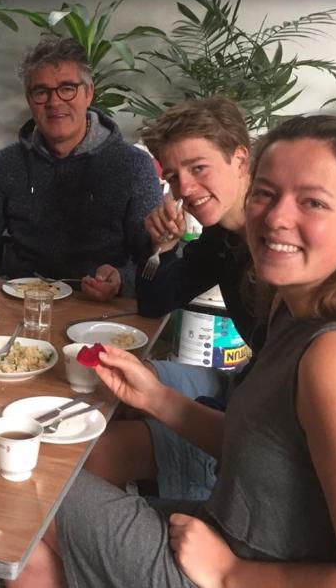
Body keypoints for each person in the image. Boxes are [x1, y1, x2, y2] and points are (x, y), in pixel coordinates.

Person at [34, 115, 336, 588]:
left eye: (312, 202)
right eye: (266, 194)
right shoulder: (296, 309)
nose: (276, 218)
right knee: (35, 524)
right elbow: (261, 447)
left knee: (34, 496)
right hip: (231, 533)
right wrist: (157, 398)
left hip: (247, 567)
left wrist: (232, 573)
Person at [85, 97, 256, 500]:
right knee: (103, 393)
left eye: (199, 168)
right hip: (241, 386)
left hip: (252, 426)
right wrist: (159, 248)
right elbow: (155, 304)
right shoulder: (222, 238)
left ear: (240, 159)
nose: (186, 189)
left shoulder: (277, 250)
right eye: (175, 177)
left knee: (87, 456)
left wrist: (197, 411)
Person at [0, 37, 162, 302]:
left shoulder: (133, 166)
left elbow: (153, 260)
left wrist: (120, 280)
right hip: (19, 302)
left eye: (67, 88)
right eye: (41, 91)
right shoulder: (8, 163)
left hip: (97, 310)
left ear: (89, 92)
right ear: (29, 99)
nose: (54, 102)